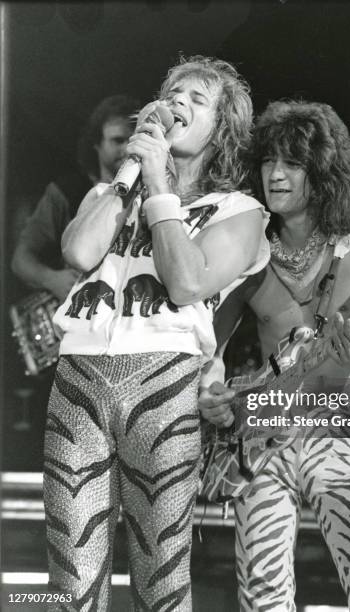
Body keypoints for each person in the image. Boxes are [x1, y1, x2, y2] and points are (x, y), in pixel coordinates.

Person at [43, 56, 269, 611]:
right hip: (79, 379)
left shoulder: (239, 212)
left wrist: (162, 187)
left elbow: (188, 282)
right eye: (170, 92)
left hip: (164, 387)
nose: (175, 104)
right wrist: (127, 182)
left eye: (195, 98)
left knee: (160, 575)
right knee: (69, 575)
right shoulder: (109, 194)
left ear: (223, 127)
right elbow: (76, 252)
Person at [199, 100, 350, 611]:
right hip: (262, 435)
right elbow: (212, 352)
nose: (275, 174)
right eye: (269, 161)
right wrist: (212, 394)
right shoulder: (248, 251)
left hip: (338, 434)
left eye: (292, 163)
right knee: (263, 596)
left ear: (323, 170)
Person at [11, 94, 139, 302]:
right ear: (96, 143)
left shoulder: (149, 192)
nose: (127, 149)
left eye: (132, 140)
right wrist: (52, 279)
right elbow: (21, 260)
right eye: (118, 140)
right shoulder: (64, 192)